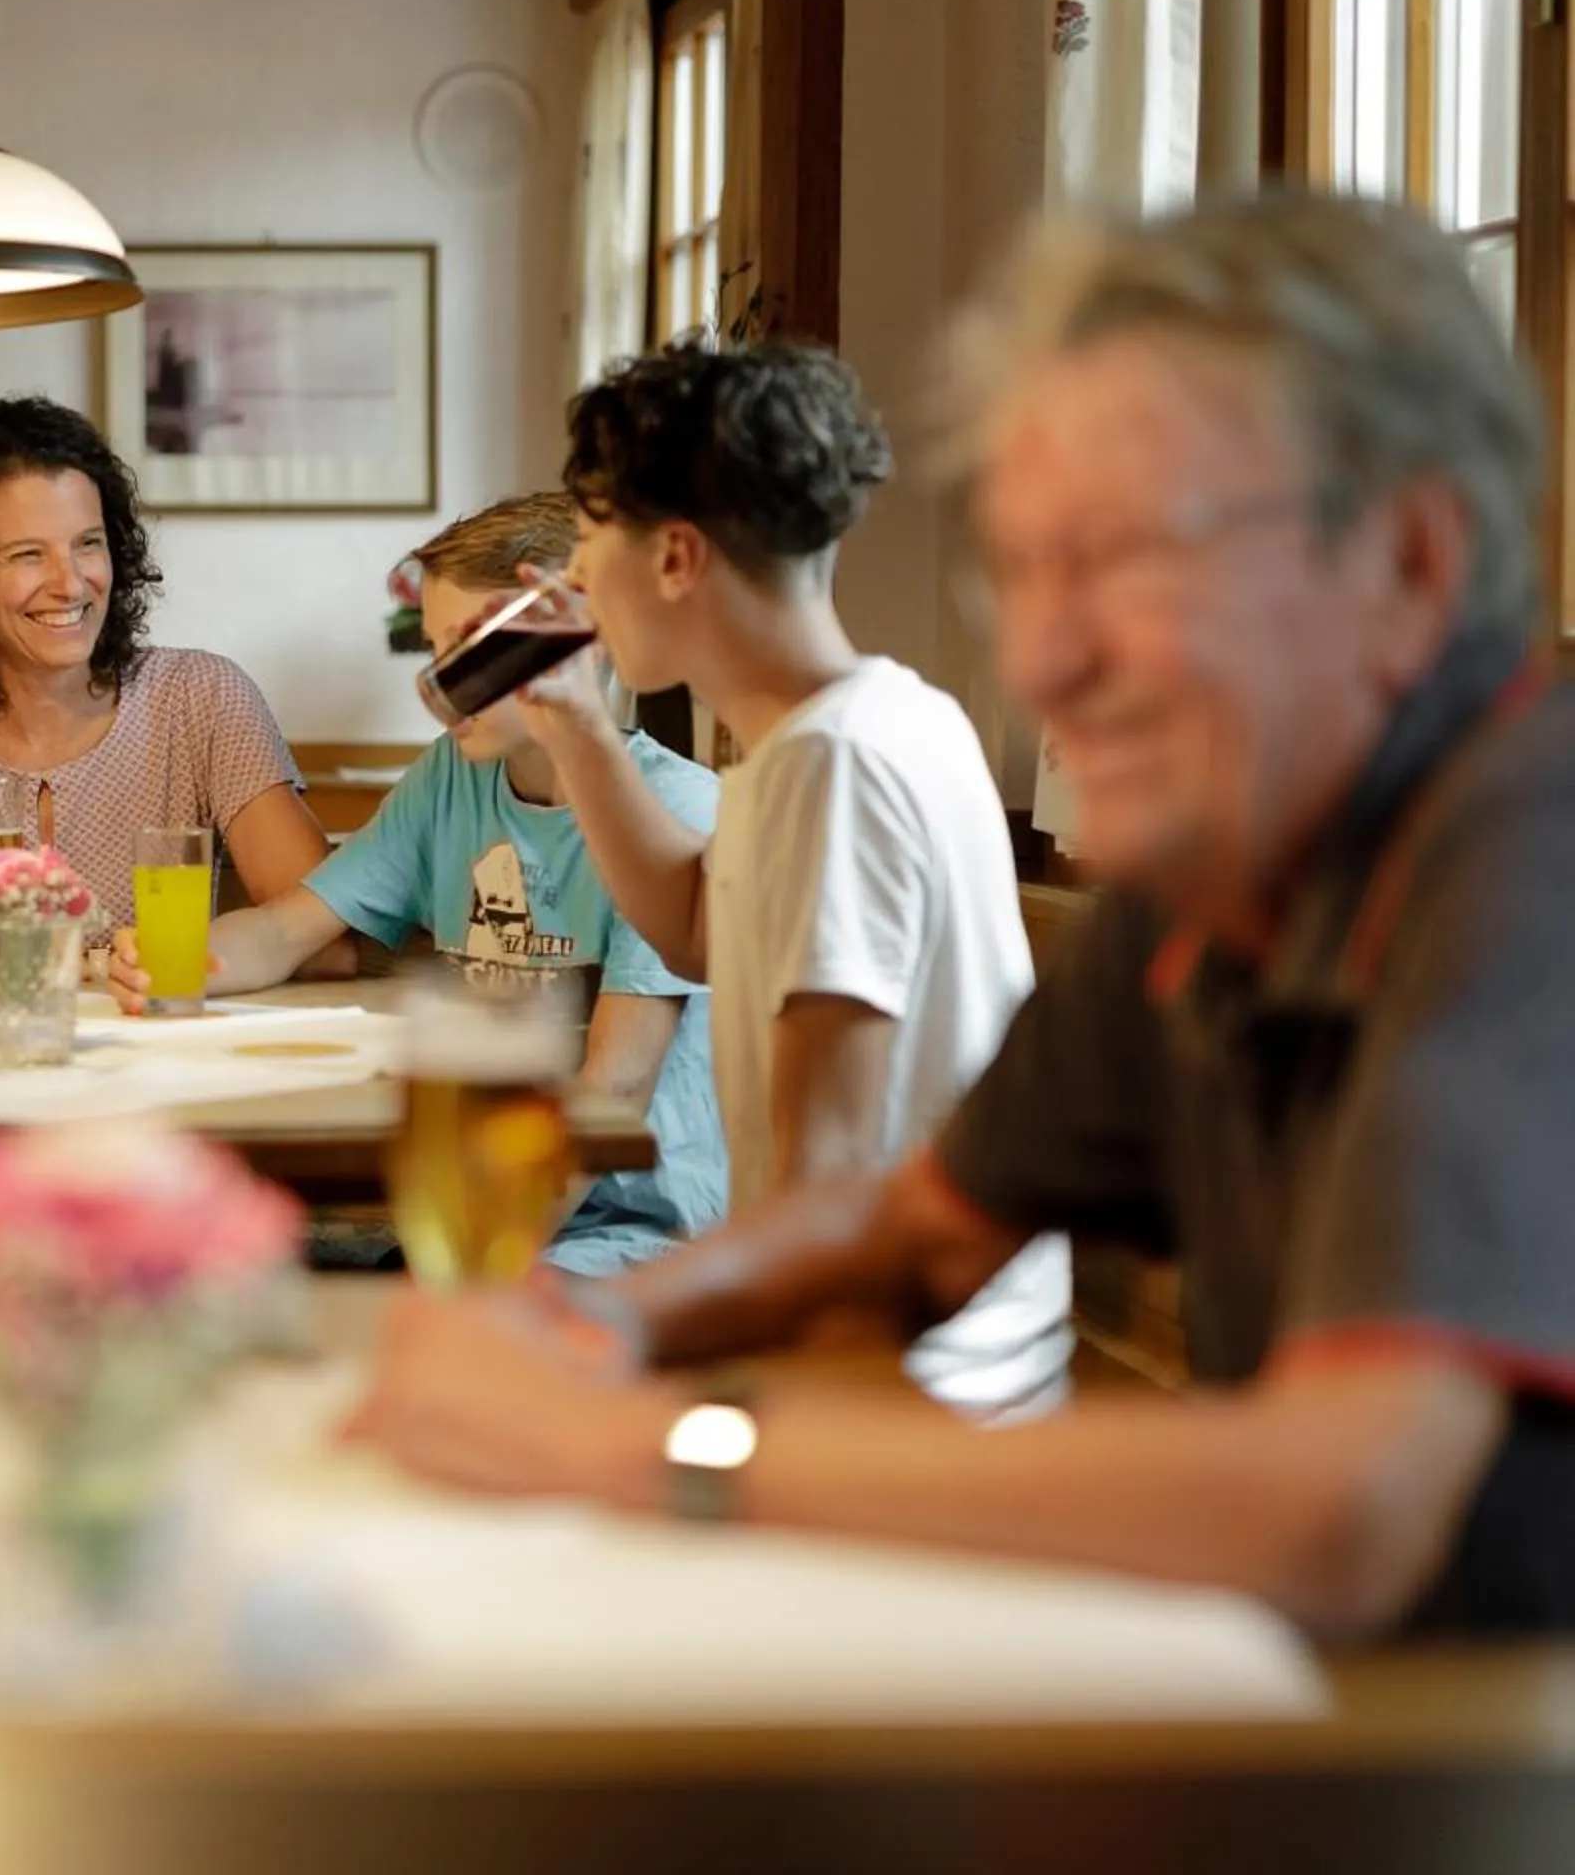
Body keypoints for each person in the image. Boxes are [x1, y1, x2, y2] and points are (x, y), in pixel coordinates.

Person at [347, 191, 1575, 1639]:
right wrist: (587, 1325)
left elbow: (1341, 1513)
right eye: (1019, 570)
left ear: (1410, 564)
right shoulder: (1224, 860)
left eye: (1124, 558)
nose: (1045, 659)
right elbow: (922, 1226)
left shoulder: (1527, 853)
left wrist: (631, 1441)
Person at [490, 339, 1070, 1416]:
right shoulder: (860, 720)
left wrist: (604, 1327)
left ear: (674, 558)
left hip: (898, 1373)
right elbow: (700, 929)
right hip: (887, 1329)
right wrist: (573, 718)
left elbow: (828, 1177)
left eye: (586, 538)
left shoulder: (832, 762)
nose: (574, 580)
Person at [109, 494, 728, 1274]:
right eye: (436, 649)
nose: (445, 680)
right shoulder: (448, 779)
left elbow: (619, 1085)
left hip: (628, 1230)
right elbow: (286, 930)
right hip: (478, 1200)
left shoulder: (676, 808)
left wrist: (466, 1260)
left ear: (579, 642)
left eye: (477, 646)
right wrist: (170, 956)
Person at [0, 395, 337, 997]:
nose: (70, 583)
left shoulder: (201, 699)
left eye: (88, 543)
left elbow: (328, 943)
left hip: (153, 1068)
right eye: (28, 554)